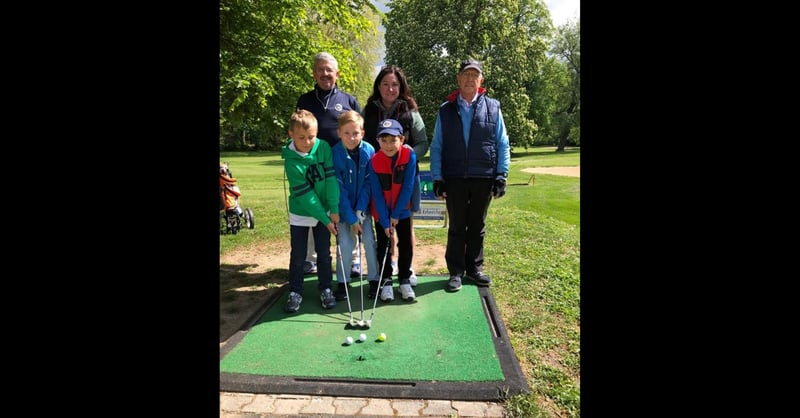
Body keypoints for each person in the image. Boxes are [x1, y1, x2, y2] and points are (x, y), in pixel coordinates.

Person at [429, 58, 510, 292]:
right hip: (454, 177)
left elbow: (502, 143)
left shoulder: (493, 107)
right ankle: (455, 272)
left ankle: (475, 269)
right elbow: (437, 146)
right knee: (456, 226)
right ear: (458, 79)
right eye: (465, 75)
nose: (469, 79)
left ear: (480, 80)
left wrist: (501, 175)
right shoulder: (446, 110)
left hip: (483, 176)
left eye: (474, 75)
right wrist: (437, 177)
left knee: (477, 225)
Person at [297, 52, 362, 276]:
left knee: (345, 210)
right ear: (314, 73)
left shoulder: (348, 100)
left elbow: (358, 133)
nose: (325, 74)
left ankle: (353, 259)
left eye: (329, 70)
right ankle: (311, 258)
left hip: (342, 166)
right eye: (320, 70)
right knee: (314, 210)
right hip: (313, 167)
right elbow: (298, 131)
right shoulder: (304, 100)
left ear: (337, 74)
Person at [362, 65, 428, 285]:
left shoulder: (411, 111)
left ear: (401, 87)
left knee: (404, 225)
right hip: (377, 177)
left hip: (404, 178)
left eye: (395, 84)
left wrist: (406, 158)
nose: (390, 89)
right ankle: (387, 269)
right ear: (378, 86)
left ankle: (406, 269)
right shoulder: (369, 110)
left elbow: (422, 143)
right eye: (385, 84)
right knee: (383, 227)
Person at [280, 109, 341, 313]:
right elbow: (307, 197)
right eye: (302, 138)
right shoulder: (290, 160)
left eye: (312, 137)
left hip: (324, 210)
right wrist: (325, 219)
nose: (308, 142)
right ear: (291, 134)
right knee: (298, 255)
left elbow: (331, 180)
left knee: (324, 253)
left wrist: (333, 210)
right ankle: (295, 291)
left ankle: (325, 288)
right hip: (301, 212)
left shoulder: (323, 148)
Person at [331, 110, 379, 301]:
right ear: (339, 133)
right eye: (347, 133)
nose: (351, 138)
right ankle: (343, 283)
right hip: (343, 210)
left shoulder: (369, 150)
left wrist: (360, 211)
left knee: (368, 241)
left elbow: (369, 183)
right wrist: (350, 217)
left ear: (362, 133)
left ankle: (374, 280)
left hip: (362, 209)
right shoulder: (335, 153)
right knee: (344, 244)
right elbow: (338, 188)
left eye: (356, 133)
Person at [368, 119, 417, 302]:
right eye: (384, 140)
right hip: (381, 213)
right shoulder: (374, 161)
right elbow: (376, 193)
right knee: (384, 246)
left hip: (402, 210)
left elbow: (408, 187)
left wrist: (396, 214)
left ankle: (404, 278)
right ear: (378, 141)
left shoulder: (409, 156)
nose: (388, 145)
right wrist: (385, 219)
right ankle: (386, 280)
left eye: (393, 140)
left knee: (405, 244)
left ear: (401, 139)